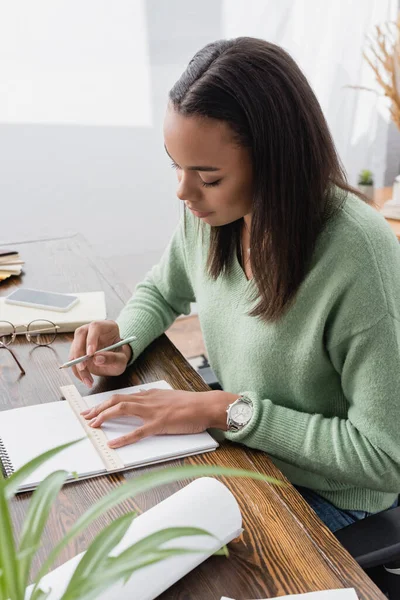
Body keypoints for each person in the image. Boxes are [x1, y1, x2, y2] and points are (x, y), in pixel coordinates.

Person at [69, 37, 400, 533]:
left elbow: (382, 458)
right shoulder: (214, 216)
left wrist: (226, 410)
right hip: (247, 451)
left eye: (208, 176)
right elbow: (162, 290)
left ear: (276, 161)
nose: (183, 192)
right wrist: (125, 337)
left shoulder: (357, 256)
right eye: (175, 166)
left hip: (327, 491)